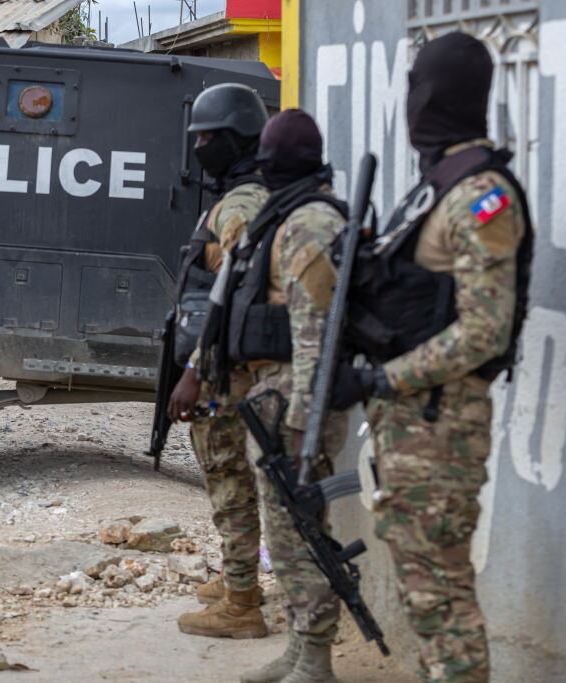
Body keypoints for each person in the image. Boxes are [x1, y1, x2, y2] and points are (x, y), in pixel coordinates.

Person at [329, 32, 533, 683]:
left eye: (419, 87)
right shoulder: (435, 188)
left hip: (442, 424)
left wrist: (381, 377)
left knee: (442, 597)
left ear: (441, 95)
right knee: (426, 591)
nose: (412, 104)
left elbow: (483, 332)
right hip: (413, 424)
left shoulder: (482, 195)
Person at [199, 109, 349, 683]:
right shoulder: (294, 212)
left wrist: (303, 428)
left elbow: (315, 331)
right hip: (282, 396)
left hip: (298, 402)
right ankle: (301, 648)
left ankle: (316, 659)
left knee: (301, 532)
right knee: (288, 534)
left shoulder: (309, 222)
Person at [167, 82, 271, 640]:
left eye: (207, 137)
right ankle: (240, 579)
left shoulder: (244, 205)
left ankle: (241, 604)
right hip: (222, 365)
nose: (199, 146)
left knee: (228, 478)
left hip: (222, 371)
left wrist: (194, 373)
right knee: (228, 479)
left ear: (234, 139)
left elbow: (231, 298)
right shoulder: (238, 195)